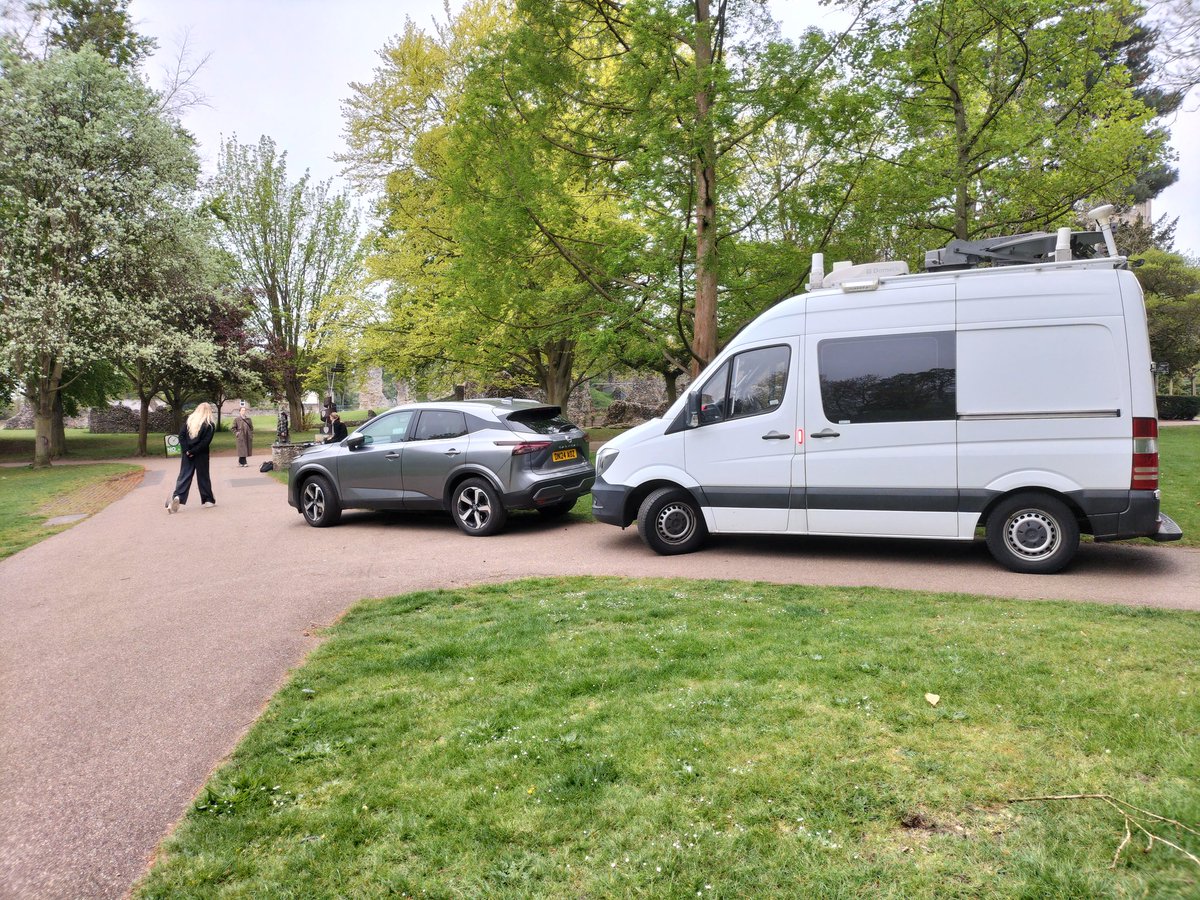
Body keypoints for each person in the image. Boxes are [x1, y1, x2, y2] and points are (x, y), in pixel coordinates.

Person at [167, 402, 216, 513]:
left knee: (184, 476)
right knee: (203, 477)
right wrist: (194, 451)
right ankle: (208, 500)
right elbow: (205, 442)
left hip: (187, 454)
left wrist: (187, 451)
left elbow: (181, 436)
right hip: (201, 455)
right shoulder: (210, 425)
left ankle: (178, 496)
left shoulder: (189, 421)